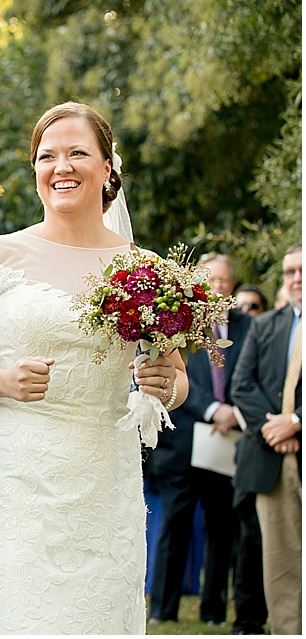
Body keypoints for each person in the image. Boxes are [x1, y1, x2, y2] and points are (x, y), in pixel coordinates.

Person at [0, 102, 189, 634]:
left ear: (109, 167)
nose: (60, 166)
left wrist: (166, 386)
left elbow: (176, 378)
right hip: (15, 476)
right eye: (47, 156)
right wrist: (1, 380)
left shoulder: (146, 270)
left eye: (77, 153)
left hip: (103, 477)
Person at [147, 253, 250, 628]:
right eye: (211, 280)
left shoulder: (247, 327)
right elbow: (176, 379)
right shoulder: (178, 323)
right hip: (183, 444)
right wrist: (211, 410)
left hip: (227, 445)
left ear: (232, 286)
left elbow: (249, 377)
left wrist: (233, 412)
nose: (218, 286)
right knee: (174, 528)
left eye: (224, 280)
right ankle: (162, 608)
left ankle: (213, 611)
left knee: (221, 530)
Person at [231, 242, 302, 636]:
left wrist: (297, 421)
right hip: (272, 461)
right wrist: (276, 430)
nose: (296, 279)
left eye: (302, 270)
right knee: (282, 561)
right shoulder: (266, 325)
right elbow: (242, 386)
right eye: (290, 271)